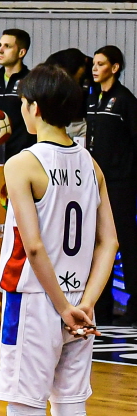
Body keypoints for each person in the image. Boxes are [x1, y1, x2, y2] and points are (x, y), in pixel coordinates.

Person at [0, 64, 116, 416]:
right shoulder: (92, 164)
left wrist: (62, 306)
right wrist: (84, 302)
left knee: (24, 413)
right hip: (79, 304)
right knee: (73, 412)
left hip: (36, 301)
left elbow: (34, 246)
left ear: (34, 109)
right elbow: (110, 241)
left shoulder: (23, 163)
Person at [83, 45, 135, 323]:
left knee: (124, 243)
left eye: (100, 64)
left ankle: (133, 307)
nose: (94, 68)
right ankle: (101, 308)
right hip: (95, 184)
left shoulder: (125, 100)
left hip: (120, 184)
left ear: (114, 68)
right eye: (93, 63)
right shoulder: (92, 99)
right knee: (96, 244)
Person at [0, 29, 33, 161]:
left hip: (24, 157)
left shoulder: (31, 81)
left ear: (21, 52)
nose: (0, 50)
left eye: (7, 46)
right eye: (0, 45)